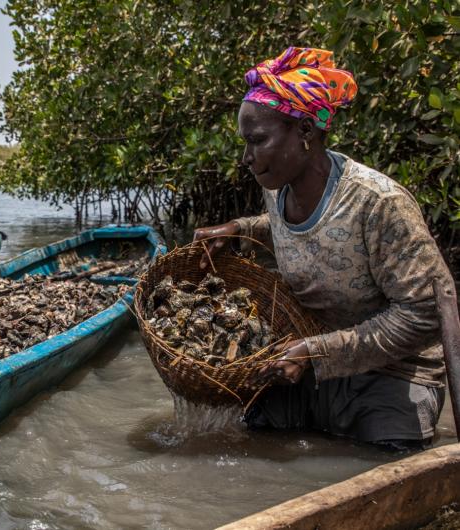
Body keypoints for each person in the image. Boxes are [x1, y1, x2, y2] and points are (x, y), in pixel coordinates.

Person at [193, 47, 454, 450]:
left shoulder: (378, 204)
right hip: (310, 364)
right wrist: (238, 229)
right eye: (246, 143)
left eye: (258, 140)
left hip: (396, 375)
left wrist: (318, 352)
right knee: (249, 436)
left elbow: (426, 315)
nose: (247, 157)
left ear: (305, 133)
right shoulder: (277, 189)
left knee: (386, 461)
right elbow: (295, 229)